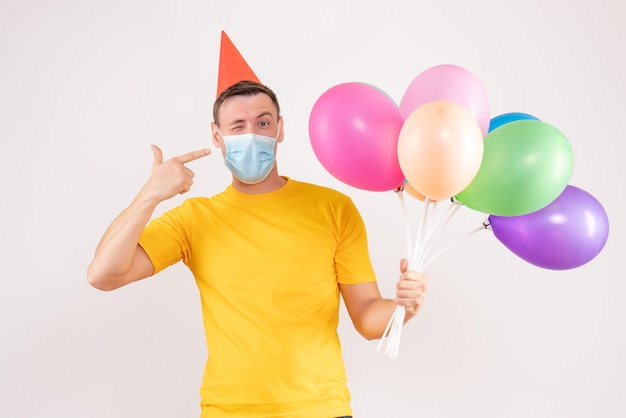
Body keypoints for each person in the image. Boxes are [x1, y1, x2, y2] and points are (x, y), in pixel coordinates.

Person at [87, 80, 428, 418]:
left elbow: (368, 318)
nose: (251, 134)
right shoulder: (194, 219)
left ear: (280, 129)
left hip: (320, 409)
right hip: (228, 412)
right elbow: (103, 275)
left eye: (263, 122)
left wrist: (403, 308)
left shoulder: (334, 209)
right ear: (217, 136)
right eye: (238, 125)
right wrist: (150, 194)